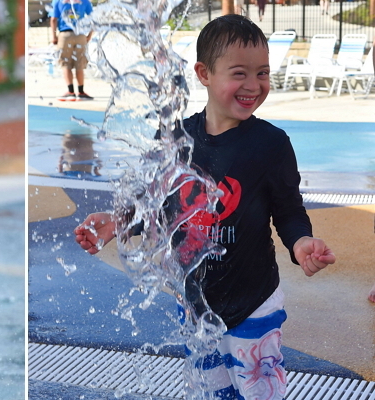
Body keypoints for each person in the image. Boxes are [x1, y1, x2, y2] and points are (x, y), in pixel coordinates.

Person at [74, 15, 336, 399]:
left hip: (254, 304)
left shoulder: (271, 144)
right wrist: (118, 222)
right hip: (195, 303)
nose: (253, 85)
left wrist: (301, 243)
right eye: (239, 73)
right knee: (211, 392)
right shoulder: (175, 138)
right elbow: (153, 201)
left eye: (262, 73)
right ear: (204, 73)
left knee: (259, 390)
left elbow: (288, 210)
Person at [50, 0, 94, 101]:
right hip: (80, 34)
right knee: (80, 64)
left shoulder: (58, 1)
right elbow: (94, 19)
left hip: (65, 35)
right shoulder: (84, 1)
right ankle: (81, 92)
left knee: (66, 63)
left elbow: (53, 19)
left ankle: (70, 92)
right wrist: (89, 35)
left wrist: (54, 36)